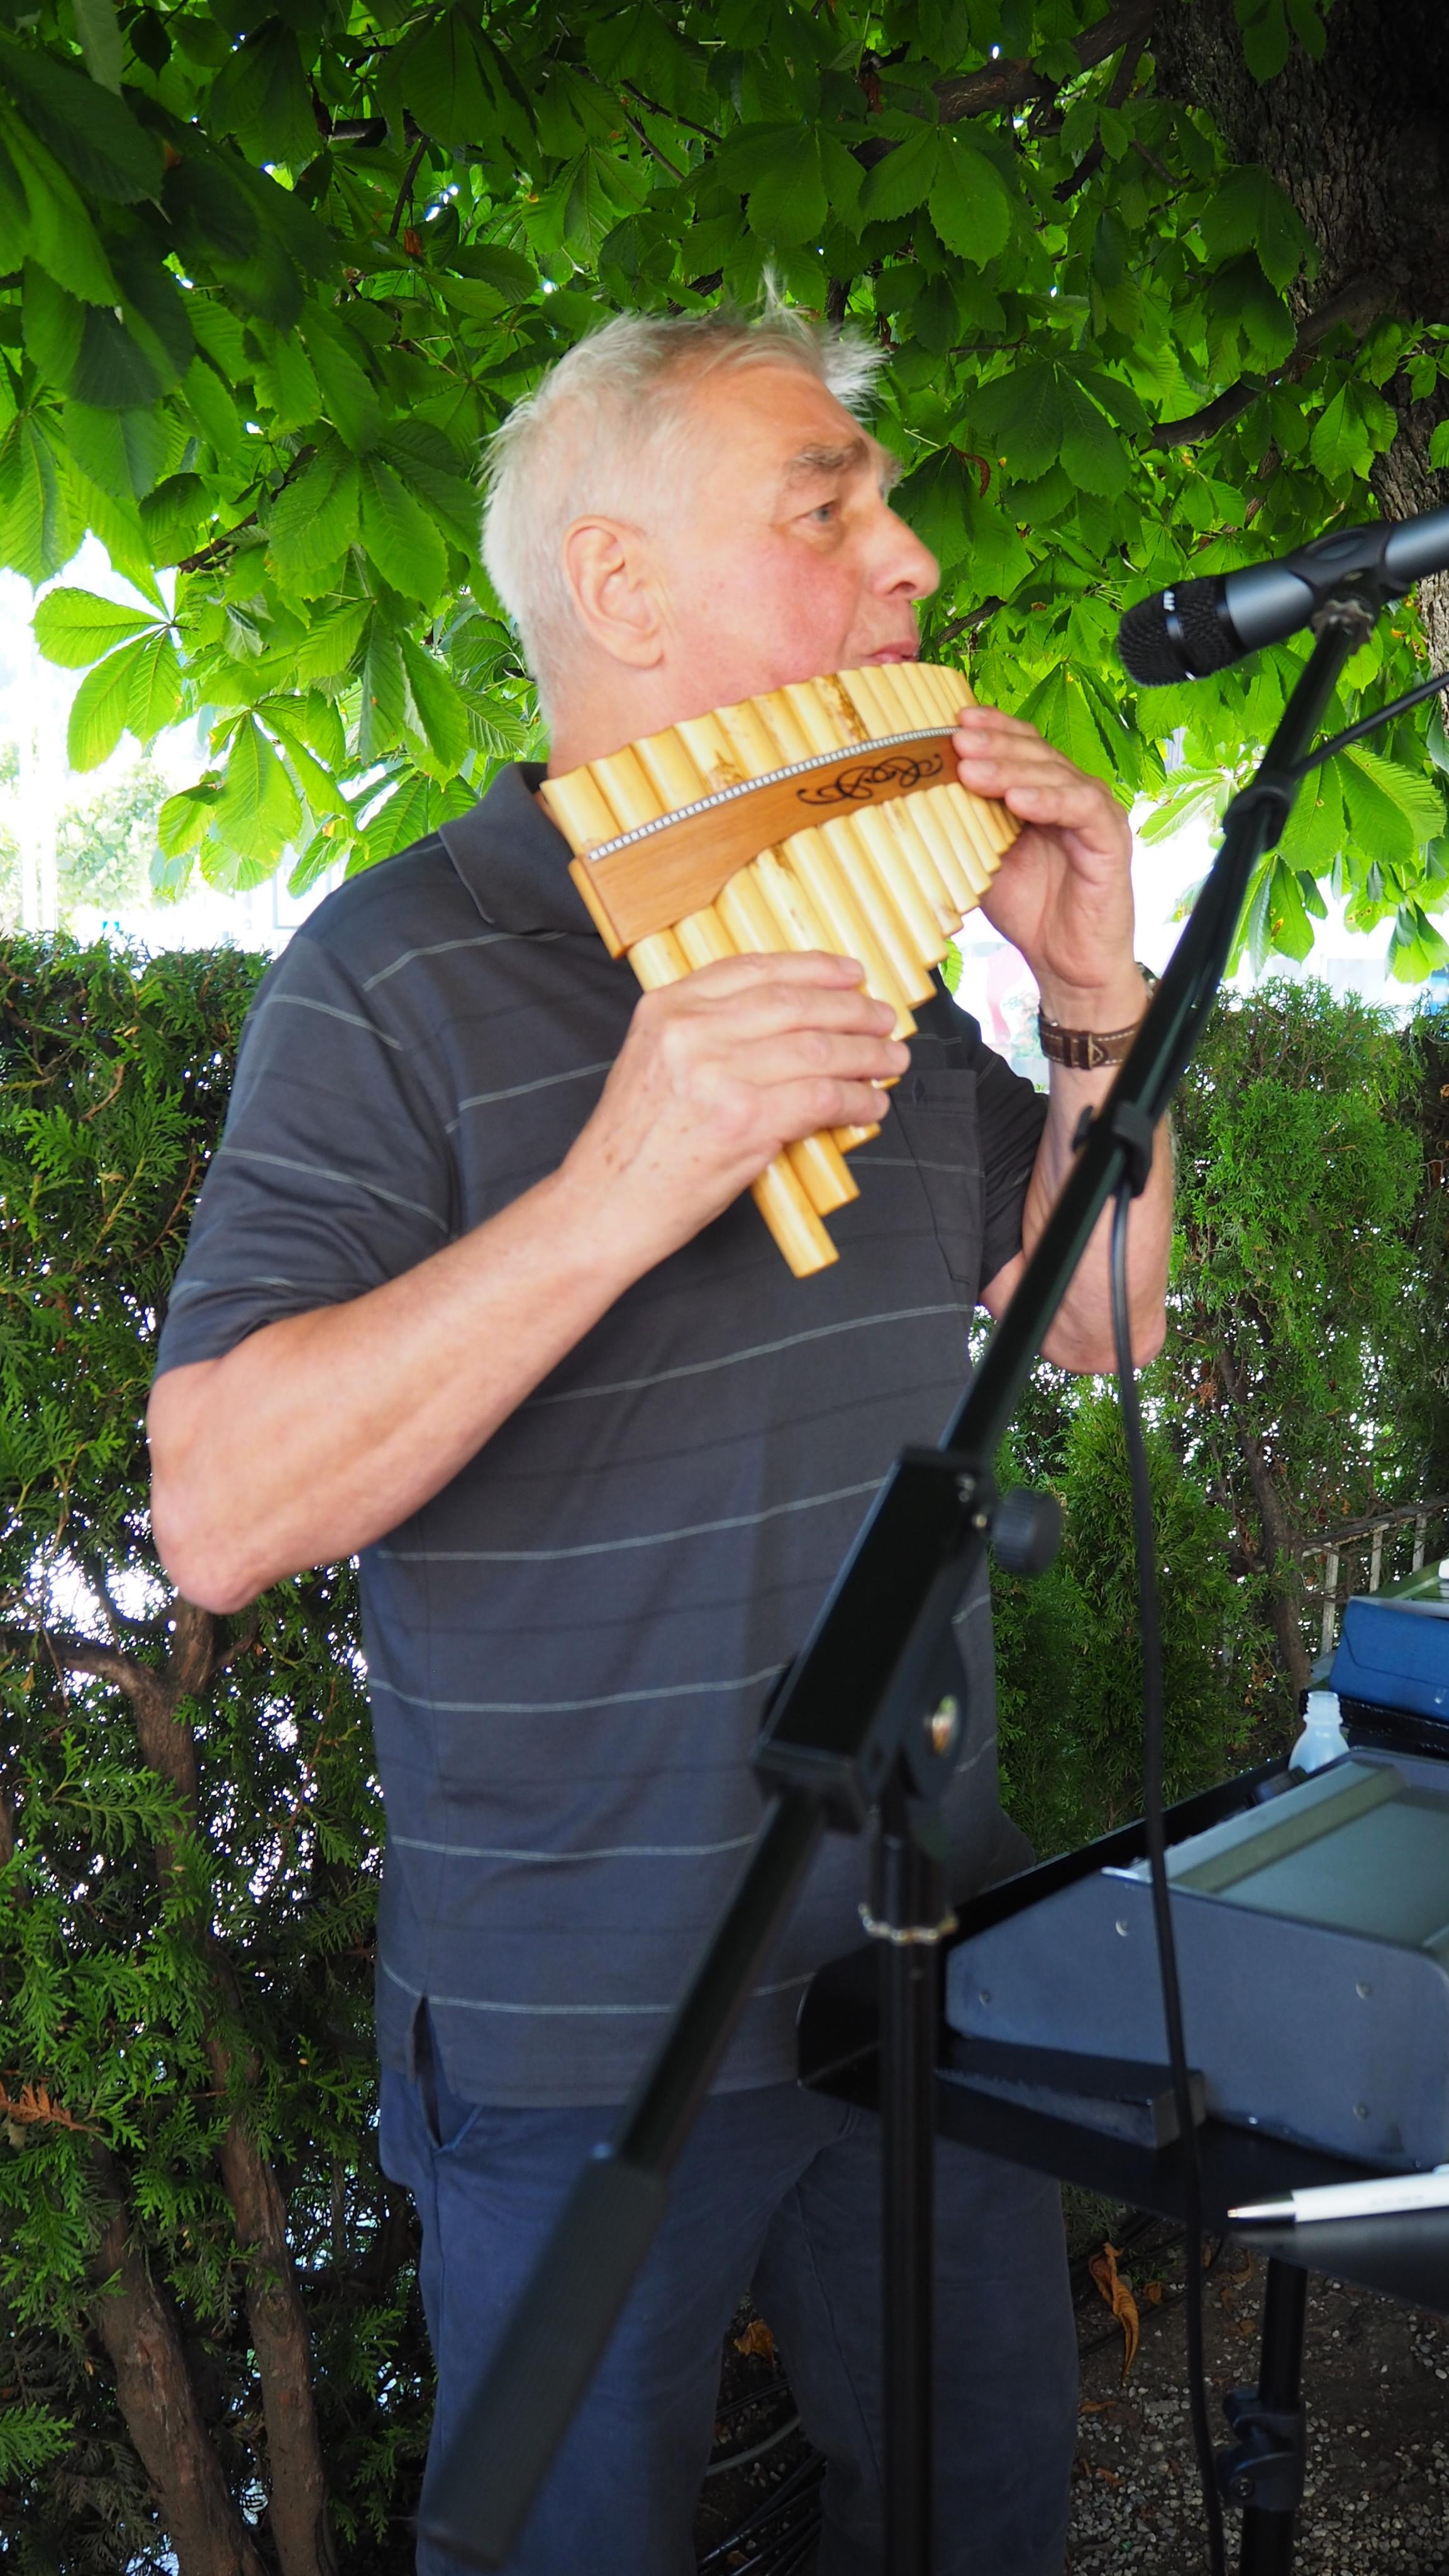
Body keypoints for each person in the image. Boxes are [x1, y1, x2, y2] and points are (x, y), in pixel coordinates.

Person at [148, 305, 1172, 2576]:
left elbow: (1100, 1318)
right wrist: (623, 1182)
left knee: (979, 2525)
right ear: (618, 587)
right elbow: (217, 1507)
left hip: (918, 1951)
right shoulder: (389, 975)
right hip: (574, 2031)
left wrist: (1095, 997)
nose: (909, 558)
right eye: (828, 506)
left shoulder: (885, 951)